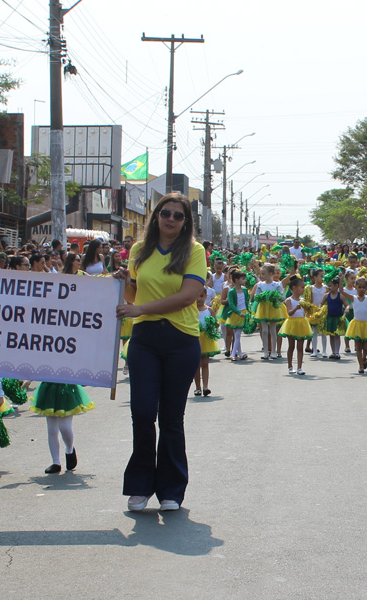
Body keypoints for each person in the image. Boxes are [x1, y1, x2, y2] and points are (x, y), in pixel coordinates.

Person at [114, 193, 207, 512]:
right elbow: (131, 295)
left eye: (178, 215)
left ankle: (171, 489)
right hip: (144, 340)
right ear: (155, 217)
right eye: (165, 213)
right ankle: (140, 486)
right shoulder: (139, 251)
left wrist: (139, 307)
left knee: (171, 418)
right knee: (141, 412)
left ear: (186, 222)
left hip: (182, 340)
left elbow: (187, 296)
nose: (170, 219)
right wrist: (124, 283)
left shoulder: (194, 251)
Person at [31, 379, 94, 474]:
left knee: (64, 427)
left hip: (66, 387)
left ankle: (69, 450)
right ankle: (56, 462)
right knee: (52, 429)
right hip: (49, 386)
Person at [279, 275, 312, 375]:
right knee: (291, 346)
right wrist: (296, 308)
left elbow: (306, 312)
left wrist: (308, 309)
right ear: (294, 288)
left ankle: (299, 367)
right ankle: (290, 366)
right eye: (302, 287)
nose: (303, 289)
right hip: (292, 324)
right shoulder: (289, 300)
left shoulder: (303, 300)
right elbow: (289, 313)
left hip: (301, 323)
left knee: (300, 346)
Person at [343, 277, 367, 374]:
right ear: (355, 287)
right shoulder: (353, 298)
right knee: (358, 347)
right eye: (359, 287)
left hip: (366, 325)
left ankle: (364, 358)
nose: (361, 289)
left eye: (363, 287)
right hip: (356, 324)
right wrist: (341, 279)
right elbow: (341, 291)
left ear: (366, 288)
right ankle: (360, 366)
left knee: (365, 348)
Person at [252, 265, 285, 360]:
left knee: (273, 330)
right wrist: (261, 297)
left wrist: (275, 298)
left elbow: (282, 297)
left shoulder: (277, 285)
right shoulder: (260, 285)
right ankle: (266, 351)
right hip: (263, 308)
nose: (262, 275)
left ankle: (273, 351)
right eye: (261, 274)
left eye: (263, 273)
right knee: (265, 330)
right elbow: (256, 296)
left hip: (273, 308)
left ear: (271, 273)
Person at [193, 287, 219, 396]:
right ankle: (197, 387)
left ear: (206, 296)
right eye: (196, 296)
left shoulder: (209, 310)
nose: (199, 299)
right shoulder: (191, 310)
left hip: (206, 338)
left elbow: (216, 323)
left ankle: (205, 386)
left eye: (201, 296)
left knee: (205, 363)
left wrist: (212, 324)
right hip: (195, 338)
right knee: (196, 364)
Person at [221, 270, 250, 361]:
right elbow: (231, 304)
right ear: (236, 280)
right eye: (243, 279)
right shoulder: (232, 291)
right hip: (235, 314)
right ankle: (237, 354)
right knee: (236, 334)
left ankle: (236, 354)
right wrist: (238, 312)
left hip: (243, 313)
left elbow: (247, 301)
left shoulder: (245, 290)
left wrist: (247, 312)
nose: (245, 280)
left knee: (237, 334)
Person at [320, 275, 347, 359]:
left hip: (338, 318)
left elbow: (347, 305)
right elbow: (321, 303)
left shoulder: (341, 295)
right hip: (330, 318)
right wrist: (320, 309)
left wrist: (347, 309)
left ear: (336, 286)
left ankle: (337, 352)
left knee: (337, 335)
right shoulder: (326, 296)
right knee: (331, 335)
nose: (329, 287)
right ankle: (333, 352)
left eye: (330, 285)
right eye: (328, 285)